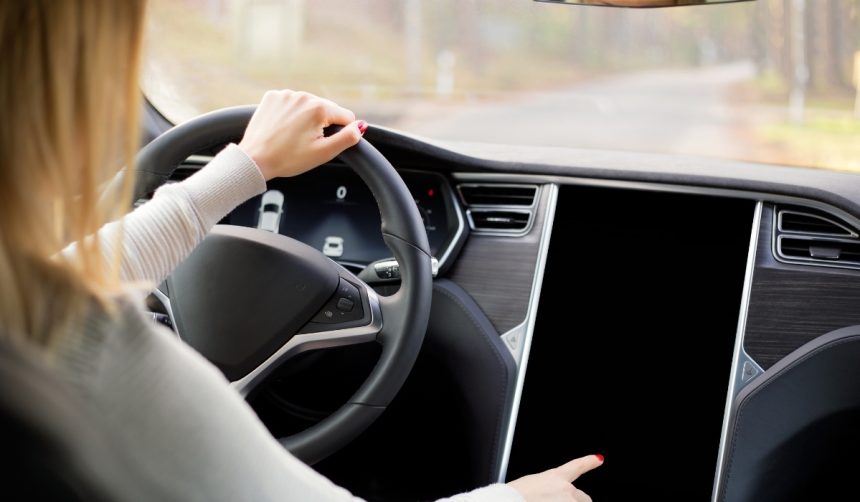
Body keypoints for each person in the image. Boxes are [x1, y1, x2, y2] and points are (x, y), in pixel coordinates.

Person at [0, 2, 602, 501]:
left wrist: (247, 166)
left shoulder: (30, 317)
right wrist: (519, 499)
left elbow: (66, 280)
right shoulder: (85, 357)